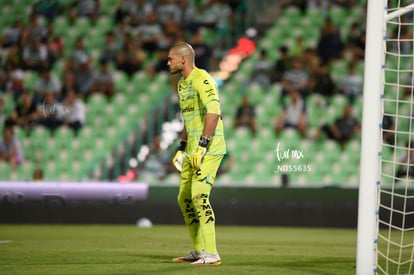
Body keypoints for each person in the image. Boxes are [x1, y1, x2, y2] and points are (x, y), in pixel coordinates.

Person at [167, 42, 226, 265]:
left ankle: (212, 254)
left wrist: (202, 146)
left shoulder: (203, 79)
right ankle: (199, 250)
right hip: (192, 150)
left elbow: (213, 113)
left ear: (183, 59)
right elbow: (189, 118)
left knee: (199, 196)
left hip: (209, 149)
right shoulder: (183, 84)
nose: (168, 62)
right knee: (184, 198)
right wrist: (182, 147)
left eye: (171, 58)